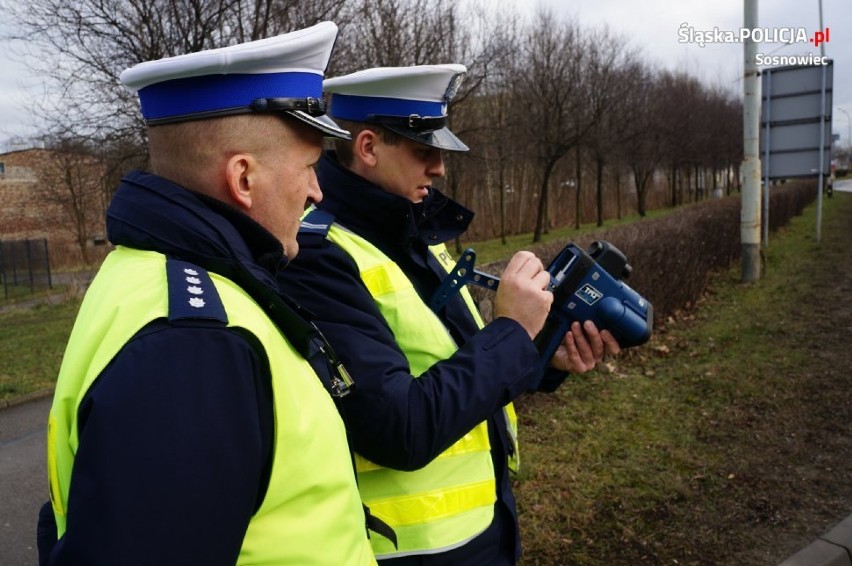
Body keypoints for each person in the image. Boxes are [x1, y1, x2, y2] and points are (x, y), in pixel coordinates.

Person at [37, 22, 378, 566]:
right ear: (243, 178)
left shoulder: (144, 272)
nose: (317, 190)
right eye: (310, 168)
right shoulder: (197, 344)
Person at [277, 64, 622, 564]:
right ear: (368, 148)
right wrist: (511, 331)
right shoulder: (316, 256)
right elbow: (398, 426)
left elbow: (449, 363)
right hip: (405, 550)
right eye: (425, 151)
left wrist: (541, 355)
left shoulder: (412, 232)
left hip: (483, 526)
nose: (439, 167)